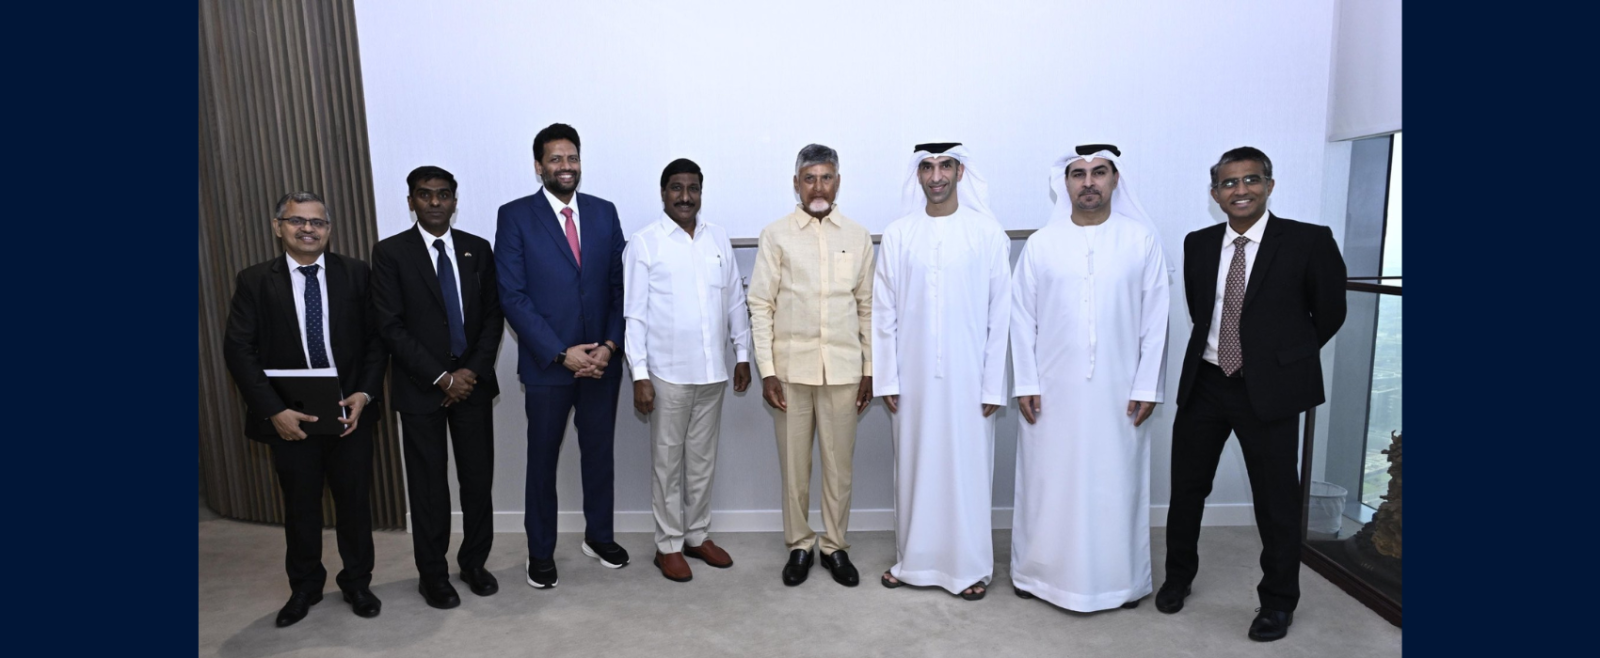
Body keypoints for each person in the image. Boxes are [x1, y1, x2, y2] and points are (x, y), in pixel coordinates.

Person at [1158, 147, 1347, 642]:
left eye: (1251, 180)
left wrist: (1281, 360)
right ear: (1215, 193)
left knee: (1276, 502)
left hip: (1270, 392)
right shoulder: (1198, 243)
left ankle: (1278, 603)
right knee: (1186, 491)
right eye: (1228, 183)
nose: (1240, 191)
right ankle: (1178, 579)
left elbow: (1329, 312)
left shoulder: (1308, 241)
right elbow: (1203, 310)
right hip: (1205, 384)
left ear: (1269, 184)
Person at [1009, 144, 1171, 612]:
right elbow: (1022, 320)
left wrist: (1146, 387)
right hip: (1051, 392)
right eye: (1078, 174)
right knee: (1047, 483)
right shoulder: (1043, 242)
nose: (1088, 182)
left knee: (1114, 482)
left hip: (1120, 392)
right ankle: (1037, 576)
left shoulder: (1140, 240)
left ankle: (1118, 584)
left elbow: (1155, 321)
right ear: (1066, 183)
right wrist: (1027, 382)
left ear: (1115, 180)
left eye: (1098, 173)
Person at [222, 191, 387, 627]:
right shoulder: (255, 280)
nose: (308, 229)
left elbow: (376, 342)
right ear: (278, 227)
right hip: (289, 418)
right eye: (297, 221)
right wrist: (273, 410)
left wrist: (365, 395)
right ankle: (305, 587)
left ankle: (357, 583)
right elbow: (239, 349)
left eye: (316, 222)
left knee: (354, 504)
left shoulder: (356, 274)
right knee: (300, 508)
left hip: (347, 412)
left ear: (329, 230)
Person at [874, 143, 1011, 601]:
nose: (936, 176)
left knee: (966, 470)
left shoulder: (987, 233)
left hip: (971, 378)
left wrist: (994, 382)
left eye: (945, 165)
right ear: (917, 175)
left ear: (959, 171)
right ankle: (913, 561)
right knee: (914, 467)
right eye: (928, 167)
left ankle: (969, 567)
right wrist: (888, 378)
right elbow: (884, 312)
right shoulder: (897, 234)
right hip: (911, 378)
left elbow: (1000, 315)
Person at [496, 123, 630, 589]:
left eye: (572, 157)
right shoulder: (514, 216)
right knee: (542, 462)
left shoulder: (604, 212)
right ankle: (540, 552)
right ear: (539, 166)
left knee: (598, 455)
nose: (565, 166)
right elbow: (512, 296)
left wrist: (610, 347)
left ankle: (600, 536)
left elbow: (618, 287)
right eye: (556, 159)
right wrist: (560, 352)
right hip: (547, 366)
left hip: (601, 364)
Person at [371, 166, 505, 608]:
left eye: (443, 195)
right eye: (425, 195)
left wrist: (468, 374)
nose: (434, 202)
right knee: (429, 488)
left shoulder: (477, 249)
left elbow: (492, 317)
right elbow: (390, 326)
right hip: (420, 389)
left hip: (473, 387)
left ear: (454, 200)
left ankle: (474, 563)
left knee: (476, 480)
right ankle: (433, 575)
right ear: (411, 201)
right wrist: (442, 377)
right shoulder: (390, 253)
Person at [747, 143, 874, 587]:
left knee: (840, 466)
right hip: (789, 373)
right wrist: (766, 370)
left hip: (843, 370)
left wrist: (870, 369)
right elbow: (760, 304)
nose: (817, 186)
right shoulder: (777, 234)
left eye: (826, 177)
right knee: (794, 466)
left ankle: (835, 546)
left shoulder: (857, 236)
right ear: (796, 183)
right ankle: (800, 544)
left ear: (837, 181)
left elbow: (867, 307)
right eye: (809, 178)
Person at [623, 159, 752, 582]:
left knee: (701, 462)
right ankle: (668, 545)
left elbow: (734, 300)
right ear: (663, 193)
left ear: (701, 192)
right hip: (666, 374)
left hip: (713, 372)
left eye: (692, 188)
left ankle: (697, 536)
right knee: (667, 464)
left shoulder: (717, 238)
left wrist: (743, 354)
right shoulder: (644, 243)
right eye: (676, 188)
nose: (684, 196)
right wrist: (640, 374)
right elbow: (635, 317)